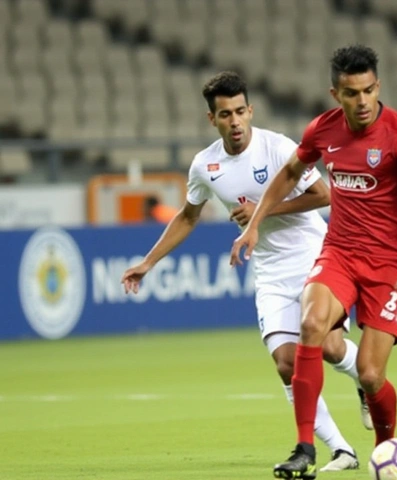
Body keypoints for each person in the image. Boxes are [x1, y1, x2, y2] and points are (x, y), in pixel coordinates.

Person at [121, 72, 369, 472]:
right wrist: (148, 262)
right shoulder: (205, 165)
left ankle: (363, 381)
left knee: (329, 348)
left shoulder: (278, 148)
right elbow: (187, 216)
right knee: (287, 363)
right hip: (270, 270)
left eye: (240, 111)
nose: (235, 121)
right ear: (212, 120)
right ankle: (342, 450)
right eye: (225, 115)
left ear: (250, 111)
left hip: (314, 257)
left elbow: (323, 196)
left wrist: (262, 210)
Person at [230, 45, 397, 479]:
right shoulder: (323, 130)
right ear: (336, 94)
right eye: (352, 93)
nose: (362, 101)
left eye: (368, 90)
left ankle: (385, 450)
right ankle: (305, 447)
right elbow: (290, 174)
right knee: (310, 325)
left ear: (378, 86)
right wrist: (256, 221)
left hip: (389, 264)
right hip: (339, 252)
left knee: (369, 374)